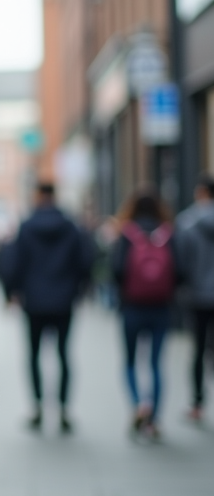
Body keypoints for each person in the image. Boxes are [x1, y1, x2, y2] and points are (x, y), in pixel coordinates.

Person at [8, 182, 92, 433]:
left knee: (33, 355)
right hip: (64, 300)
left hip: (33, 301)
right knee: (64, 354)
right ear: (55, 197)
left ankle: (37, 408)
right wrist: (79, 289)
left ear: (38, 196)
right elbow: (84, 261)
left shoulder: (27, 226)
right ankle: (64, 409)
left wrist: (12, 291)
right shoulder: (71, 226)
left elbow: (15, 261)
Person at [112, 189, 177, 440]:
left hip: (132, 307)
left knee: (130, 361)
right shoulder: (166, 233)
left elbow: (117, 270)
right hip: (161, 307)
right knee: (156, 363)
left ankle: (140, 404)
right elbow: (179, 270)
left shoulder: (127, 233)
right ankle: (154, 419)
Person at [176, 175, 214, 422]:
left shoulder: (186, 222)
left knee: (198, 350)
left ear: (200, 193)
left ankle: (198, 403)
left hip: (197, 296)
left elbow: (181, 263)